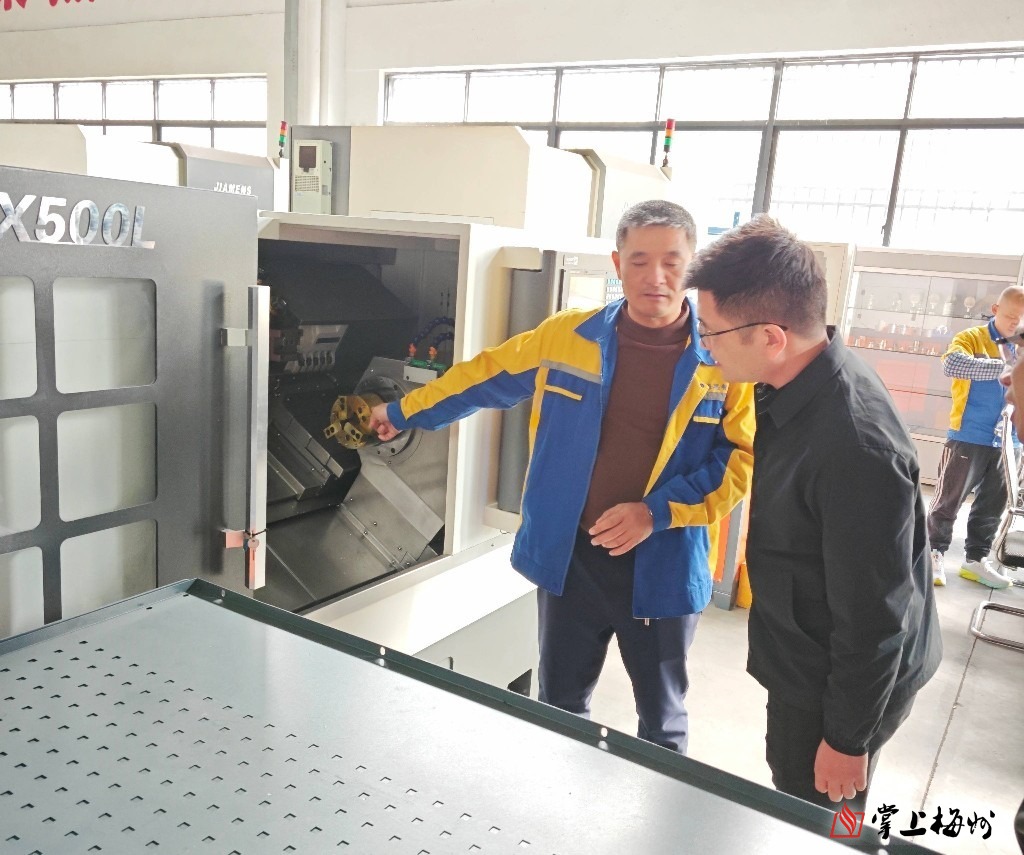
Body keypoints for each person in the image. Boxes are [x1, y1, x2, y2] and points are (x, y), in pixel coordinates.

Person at [369, 200, 755, 754]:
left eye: (672, 261)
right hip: (574, 559)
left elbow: (740, 461)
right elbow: (483, 377)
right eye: (640, 261)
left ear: (691, 266)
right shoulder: (567, 337)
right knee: (559, 708)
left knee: (662, 719)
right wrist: (403, 412)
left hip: (664, 564)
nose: (656, 277)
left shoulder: (722, 359)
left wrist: (655, 513)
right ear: (617, 264)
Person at [685, 215, 941, 810]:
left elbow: (875, 617)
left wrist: (847, 740)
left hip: (843, 687)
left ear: (772, 337)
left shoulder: (854, 448)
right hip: (809, 652)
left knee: (825, 808)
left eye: (712, 331)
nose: (705, 345)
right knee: (800, 792)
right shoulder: (800, 381)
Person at [927, 285, 1024, 589]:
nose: (1016, 323)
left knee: (993, 506)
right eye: (1011, 316)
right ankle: (933, 553)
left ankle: (976, 559)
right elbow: (952, 364)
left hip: (1010, 441)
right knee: (948, 501)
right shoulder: (972, 338)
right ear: (996, 310)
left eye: (1022, 318)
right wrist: (1009, 367)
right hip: (968, 435)